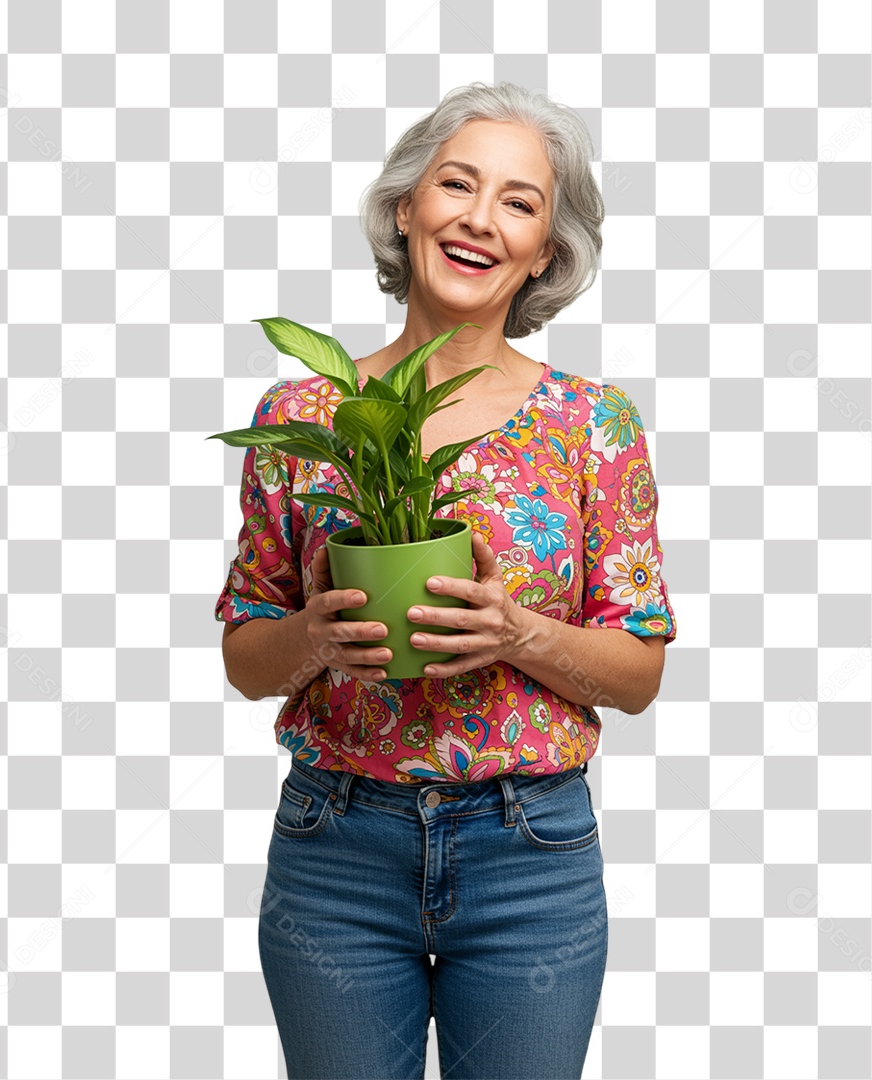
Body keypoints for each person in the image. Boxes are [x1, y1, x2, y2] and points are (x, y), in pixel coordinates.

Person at [216, 82, 678, 1080]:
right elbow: (247, 654)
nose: (480, 217)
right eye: (455, 185)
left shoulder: (593, 425)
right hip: (336, 845)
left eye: (519, 202)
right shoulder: (311, 411)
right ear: (404, 210)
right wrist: (316, 639)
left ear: (546, 250)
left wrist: (520, 633)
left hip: (531, 856)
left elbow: (638, 674)